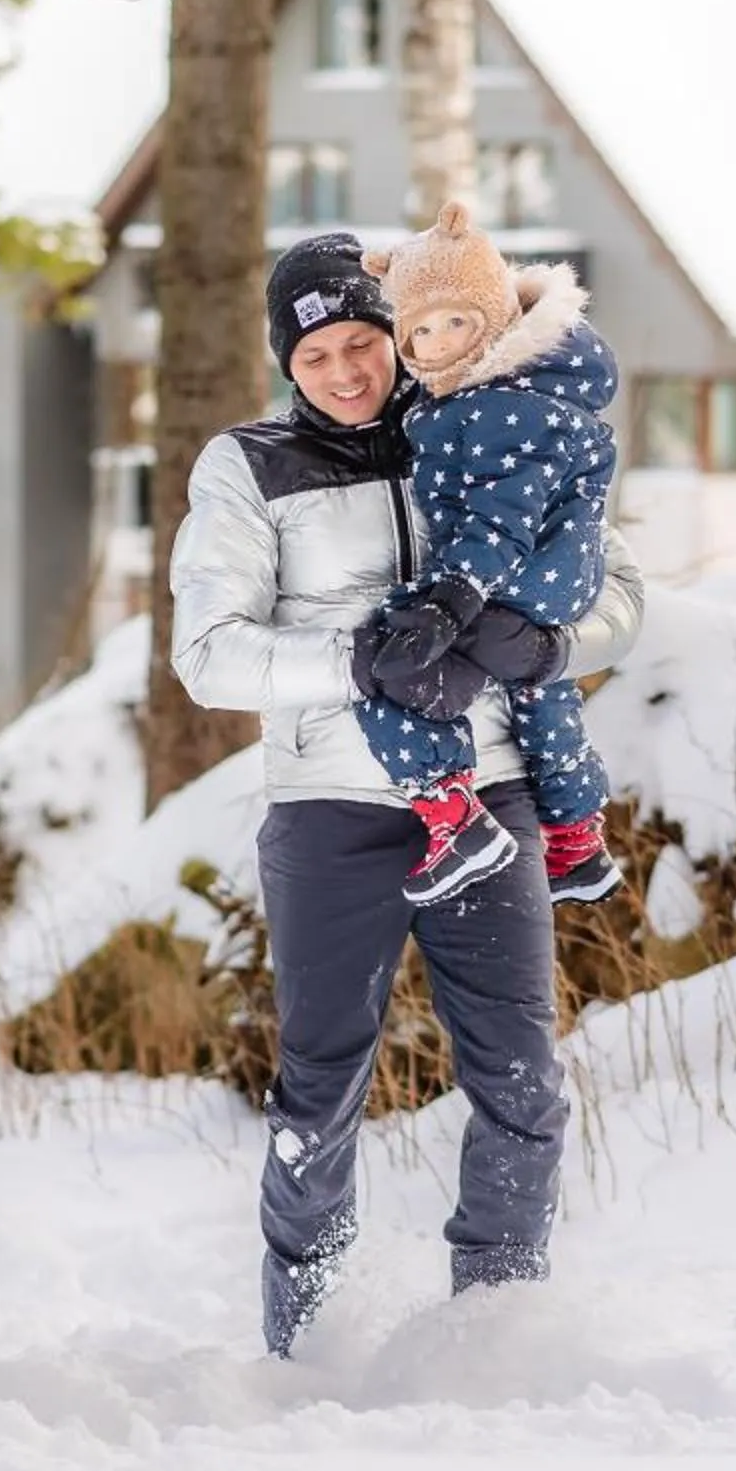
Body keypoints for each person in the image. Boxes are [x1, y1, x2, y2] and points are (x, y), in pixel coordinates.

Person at [170, 231, 645, 1357]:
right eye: (316, 351)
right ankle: (310, 1330)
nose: (345, 370)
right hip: (332, 808)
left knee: (522, 1075)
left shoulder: (479, 410)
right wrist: (360, 656)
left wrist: (544, 641)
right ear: (287, 360)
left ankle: (496, 1327)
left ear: (400, 331)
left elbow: (618, 586)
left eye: (363, 341)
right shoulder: (246, 466)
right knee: (321, 1085)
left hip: (496, 793)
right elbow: (209, 654)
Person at [353, 200, 622, 906]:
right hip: (549, 576)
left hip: (513, 572)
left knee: (387, 664)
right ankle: (577, 840)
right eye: (421, 331)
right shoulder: (516, 390)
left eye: (456, 321)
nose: (438, 342)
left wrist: (451, 599)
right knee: (540, 690)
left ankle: (453, 817)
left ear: (496, 316)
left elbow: (501, 515)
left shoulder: (501, 406)